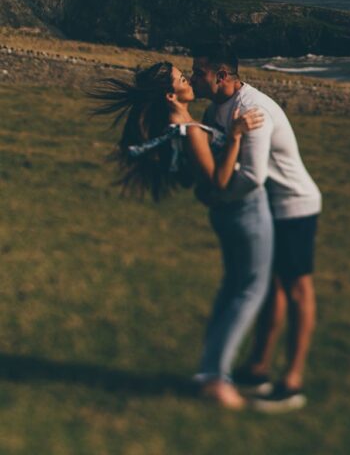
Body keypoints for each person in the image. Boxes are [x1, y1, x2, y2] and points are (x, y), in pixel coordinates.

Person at [88, 61, 269, 411]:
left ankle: (210, 371)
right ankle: (216, 379)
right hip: (243, 212)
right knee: (249, 290)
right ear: (172, 94)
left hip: (231, 213)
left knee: (235, 288)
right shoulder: (188, 130)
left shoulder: (182, 126)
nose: (189, 80)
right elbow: (218, 181)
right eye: (183, 79)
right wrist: (234, 135)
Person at [190, 46, 322, 413]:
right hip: (264, 207)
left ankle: (292, 381)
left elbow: (252, 176)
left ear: (221, 75)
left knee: (296, 289)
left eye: (198, 71)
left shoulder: (252, 110)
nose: (191, 77)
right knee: (271, 288)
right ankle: (258, 368)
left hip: (292, 205)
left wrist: (218, 198)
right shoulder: (214, 108)